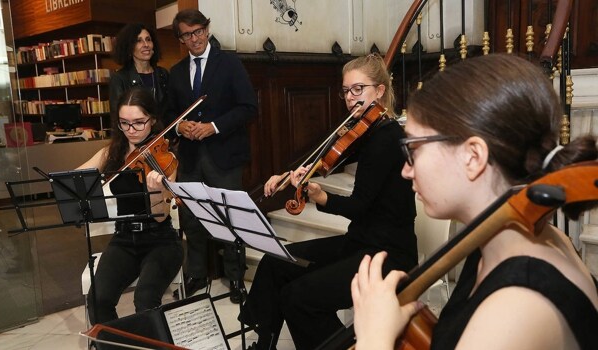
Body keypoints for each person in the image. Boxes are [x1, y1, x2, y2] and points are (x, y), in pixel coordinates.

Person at [351, 54, 598, 350]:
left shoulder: (516, 307)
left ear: (473, 157)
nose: (406, 169)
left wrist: (373, 338)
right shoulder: (496, 243)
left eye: (413, 148)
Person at [239, 54, 417, 350]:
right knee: (275, 263)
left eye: (358, 89)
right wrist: (289, 175)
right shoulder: (368, 132)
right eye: (346, 91)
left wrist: (322, 198)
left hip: (387, 253)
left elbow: (358, 206)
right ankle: (264, 343)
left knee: (298, 298)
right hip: (360, 242)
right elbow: (328, 161)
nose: (350, 98)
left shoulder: (387, 139)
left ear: (380, 91)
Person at [165, 9, 258, 304]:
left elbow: (248, 107)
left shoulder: (229, 63)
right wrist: (180, 126)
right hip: (191, 159)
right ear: (180, 38)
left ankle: (235, 277)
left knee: (231, 218)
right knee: (192, 218)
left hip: (224, 155)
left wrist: (213, 127)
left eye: (199, 31)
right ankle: (197, 273)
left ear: (207, 29)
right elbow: (168, 116)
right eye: (187, 35)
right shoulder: (176, 72)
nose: (194, 39)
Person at [79, 87, 184, 324]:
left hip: (161, 241)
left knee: (145, 299)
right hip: (124, 239)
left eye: (139, 123)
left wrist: (155, 191)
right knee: (98, 300)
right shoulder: (111, 153)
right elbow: (76, 179)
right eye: (124, 123)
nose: (131, 130)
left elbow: (160, 216)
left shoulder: (165, 159)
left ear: (153, 120)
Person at [109, 23, 169, 119]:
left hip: (164, 132)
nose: (146, 45)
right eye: (139, 41)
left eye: (148, 40)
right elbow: (117, 117)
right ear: (129, 47)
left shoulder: (163, 74)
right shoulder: (119, 78)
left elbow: (170, 110)